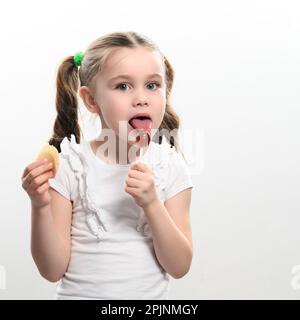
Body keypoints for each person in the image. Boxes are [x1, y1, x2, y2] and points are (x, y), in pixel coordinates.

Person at [21, 31, 194, 299]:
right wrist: (40, 205)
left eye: (152, 85)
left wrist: (152, 204)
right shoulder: (70, 165)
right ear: (91, 100)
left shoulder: (170, 166)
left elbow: (179, 266)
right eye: (123, 86)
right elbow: (52, 270)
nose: (141, 98)